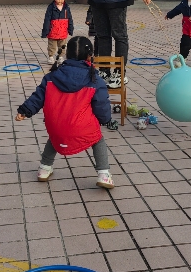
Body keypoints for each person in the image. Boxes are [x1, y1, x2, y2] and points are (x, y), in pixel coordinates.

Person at [15, 36, 116, 189]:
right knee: (97, 139)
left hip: (55, 125)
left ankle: (44, 169)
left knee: (55, 137)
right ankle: (104, 174)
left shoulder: (51, 76)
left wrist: (25, 111)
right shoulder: (94, 79)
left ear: (67, 54)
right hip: (82, 128)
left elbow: (38, 97)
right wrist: (105, 119)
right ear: (90, 56)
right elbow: (101, 105)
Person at [41, 0, 74, 65]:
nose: (60, 0)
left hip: (63, 32)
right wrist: (45, 31)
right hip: (53, 31)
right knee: (52, 45)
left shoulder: (66, 8)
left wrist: (70, 29)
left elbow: (70, 19)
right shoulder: (51, 7)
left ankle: (60, 56)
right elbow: (47, 19)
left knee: (62, 46)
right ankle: (51, 57)